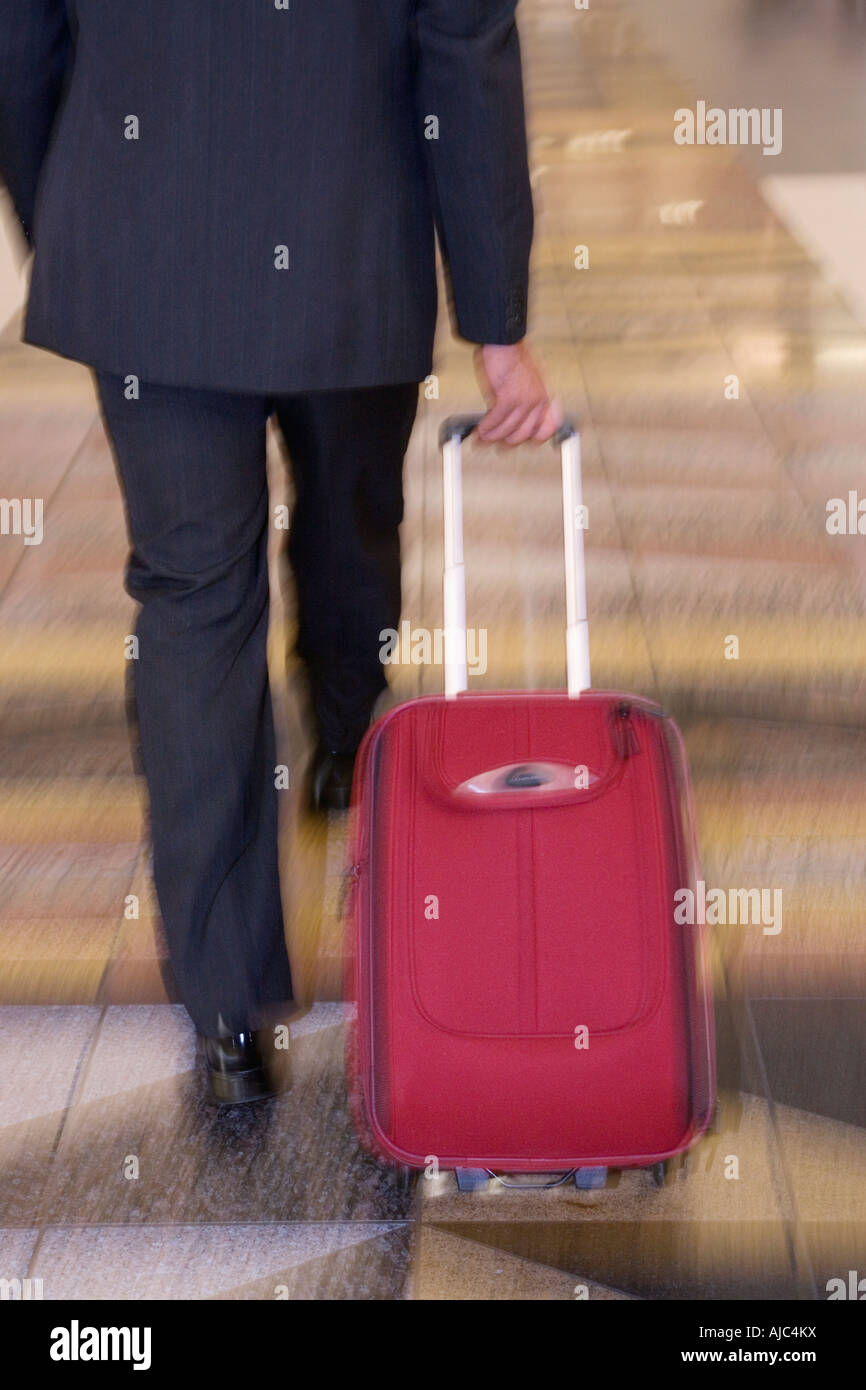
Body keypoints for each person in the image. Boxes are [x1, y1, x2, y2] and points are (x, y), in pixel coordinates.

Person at [0, 1, 559, 1103]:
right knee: (350, 502)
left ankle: (225, 1009)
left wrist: (67, 205)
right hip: (353, 236)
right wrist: (495, 321)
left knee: (191, 595)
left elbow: (21, 40)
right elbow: (463, 49)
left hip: (144, 243)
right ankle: (350, 730)